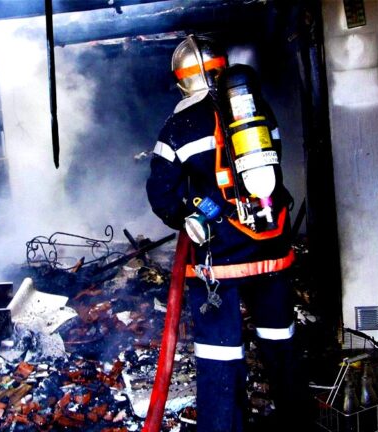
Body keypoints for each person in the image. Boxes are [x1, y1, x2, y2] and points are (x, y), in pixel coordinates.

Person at [146, 35, 305, 431]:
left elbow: (161, 194)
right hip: (272, 249)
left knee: (219, 353)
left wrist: (191, 215)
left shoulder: (178, 125)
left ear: (181, 80)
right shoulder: (256, 109)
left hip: (221, 261)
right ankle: (297, 421)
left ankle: (223, 425)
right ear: (222, 67)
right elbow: (275, 161)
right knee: (281, 341)